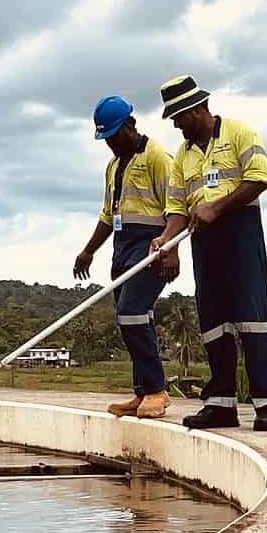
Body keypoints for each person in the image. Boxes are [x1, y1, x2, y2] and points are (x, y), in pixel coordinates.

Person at [148, 75, 267, 432]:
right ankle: (221, 404)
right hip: (203, 238)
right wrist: (167, 240)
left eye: (178, 117)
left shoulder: (240, 133)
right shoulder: (183, 155)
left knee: (252, 317)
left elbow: (259, 179)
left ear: (196, 110)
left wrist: (217, 207)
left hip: (241, 230)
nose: (176, 125)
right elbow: (177, 207)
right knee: (213, 320)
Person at [73, 95, 178, 419]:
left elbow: (177, 207)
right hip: (122, 247)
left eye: (115, 136)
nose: (111, 144)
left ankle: (157, 390)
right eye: (106, 140)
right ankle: (143, 390)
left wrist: (170, 250)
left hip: (151, 246)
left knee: (132, 311)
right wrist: (89, 250)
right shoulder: (114, 165)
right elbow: (109, 214)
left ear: (131, 125)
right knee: (127, 317)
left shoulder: (158, 156)